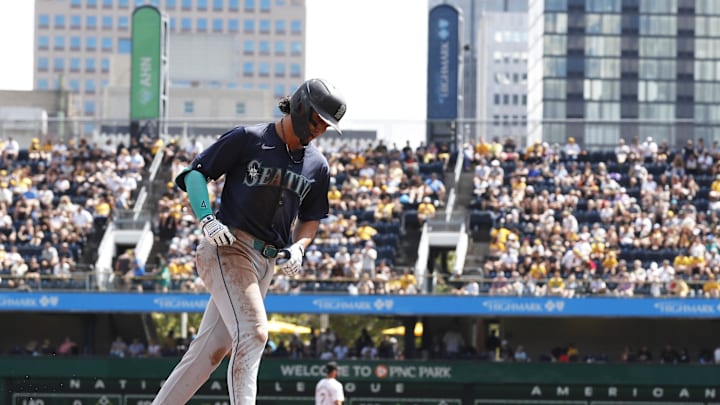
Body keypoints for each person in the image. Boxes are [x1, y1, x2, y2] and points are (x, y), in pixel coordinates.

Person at [151, 78, 346, 405]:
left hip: (265, 263)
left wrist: (299, 246)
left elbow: (311, 217)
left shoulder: (317, 165)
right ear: (299, 107)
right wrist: (206, 218)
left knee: (209, 353)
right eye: (317, 120)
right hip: (229, 247)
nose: (320, 130)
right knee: (255, 334)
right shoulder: (249, 138)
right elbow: (196, 173)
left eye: (326, 125)